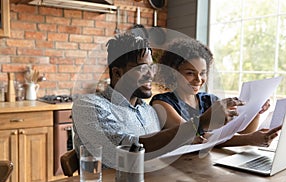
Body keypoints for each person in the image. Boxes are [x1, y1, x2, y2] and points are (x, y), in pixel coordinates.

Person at [72, 33, 230, 168]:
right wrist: (199, 123)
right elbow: (127, 149)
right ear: (118, 73)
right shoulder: (89, 106)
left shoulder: (148, 111)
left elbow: (162, 147)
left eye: (152, 67)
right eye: (142, 68)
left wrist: (187, 140)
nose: (150, 75)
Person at [150, 38, 279, 147]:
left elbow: (241, 133)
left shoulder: (210, 100)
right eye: (190, 73)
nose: (198, 80)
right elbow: (197, 136)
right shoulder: (162, 103)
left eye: (202, 73)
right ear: (174, 73)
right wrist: (250, 139)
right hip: (180, 168)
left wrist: (256, 112)